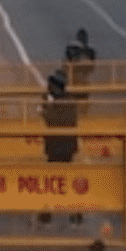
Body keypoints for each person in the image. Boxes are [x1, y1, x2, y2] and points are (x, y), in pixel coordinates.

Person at [38, 70, 81, 225]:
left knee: (58, 179)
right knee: (58, 178)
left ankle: (72, 212)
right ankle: (49, 212)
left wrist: (46, 109)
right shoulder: (60, 100)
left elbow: (53, 120)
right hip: (61, 146)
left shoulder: (66, 103)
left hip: (61, 146)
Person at [64, 28, 97, 107]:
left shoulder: (73, 48)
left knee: (79, 96)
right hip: (79, 78)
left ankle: (81, 108)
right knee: (79, 96)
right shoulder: (88, 50)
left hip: (79, 79)